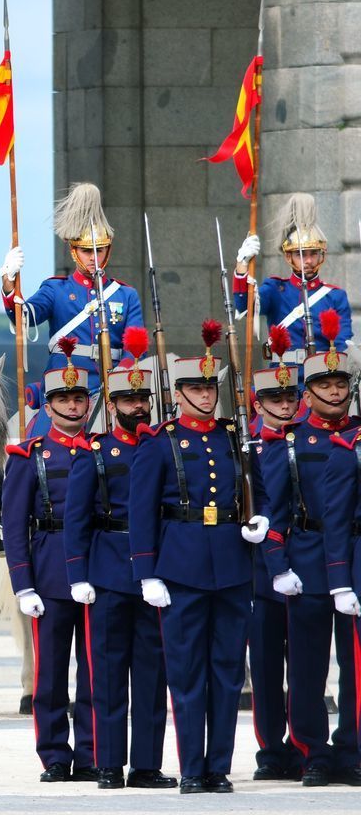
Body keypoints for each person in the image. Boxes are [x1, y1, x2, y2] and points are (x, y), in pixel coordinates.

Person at [129, 320, 262, 794]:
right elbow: (141, 512)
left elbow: (255, 492)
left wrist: (258, 521)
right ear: (179, 394)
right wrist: (147, 572)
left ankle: (218, 767)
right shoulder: (159, 443)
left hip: (230, 563)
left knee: (227, 673)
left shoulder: (232, 438)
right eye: (196, 389)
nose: (206, 397)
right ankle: (191, 768)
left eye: (211, 388)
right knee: (186, 675)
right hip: (181, 564)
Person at [63, 328, 175, 790]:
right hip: (108, 571)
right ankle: (109, 763)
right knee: (107, 674)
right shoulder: (95, 453)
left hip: (155, 575)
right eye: (128, 401)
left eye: (142, 399)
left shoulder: (163, 448)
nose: (138, 407)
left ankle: (146, 764)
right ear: (111, 406)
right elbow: (76, 518)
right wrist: (77, 574)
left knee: (151, 675)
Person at [258, 313, 361, 787]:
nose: (336, 393)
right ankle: (313, 751)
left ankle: (351, 747)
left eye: (342, 383)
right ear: (309, 391)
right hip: (306, 556)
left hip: (354, 559)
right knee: (306, 667)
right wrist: (278, 566)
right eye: (326, 384)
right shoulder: (290, 442)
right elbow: (275, 514)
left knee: (355, 665)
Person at [1, 336, 96, 783]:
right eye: (64, 398)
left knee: (98, 670)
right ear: (49, 404)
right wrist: (22, 583)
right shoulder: (30, 455)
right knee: (52, 672)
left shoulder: (103, 451)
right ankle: (56, 753)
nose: (73, 406)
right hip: (49, 570)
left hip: (98, 571)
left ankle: (96, 749)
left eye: (79, 397)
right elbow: (14, 523)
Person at [0, 183, 143, 436]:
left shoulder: (125, 294)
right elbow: (24, 316)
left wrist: (123, 371)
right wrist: (9, 284)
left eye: (100, 251)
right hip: (66, 383)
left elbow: (136, 343)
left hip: (113, 381)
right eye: (87, 251)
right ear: (74, 251)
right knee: (42, 440)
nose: (93, 258)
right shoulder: (56, 290)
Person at [247, 326, 304, 781]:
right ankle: (270, 749)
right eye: (277, 400)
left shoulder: (309, 441)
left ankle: (304, 743)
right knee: (266, 669)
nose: (286, 406)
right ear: (258, 404)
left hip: (305, 566)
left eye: (291, 399)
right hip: (258, 575)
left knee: (305, 666)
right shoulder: (244, 448)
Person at [234, 192, 352, 367]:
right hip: (283, 377)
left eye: (314, 253)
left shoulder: (335, 296)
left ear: (322, 255)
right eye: (301, 254)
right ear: (289, 256)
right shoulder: (275, 290)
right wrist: (242, 264)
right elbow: (244, 306)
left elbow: (343, 345)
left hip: (323, 378)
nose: (309, 260)